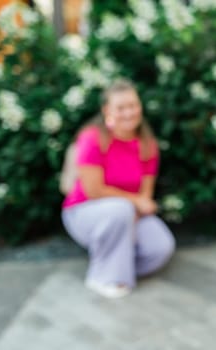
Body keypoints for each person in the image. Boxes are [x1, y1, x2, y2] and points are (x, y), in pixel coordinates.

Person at [61, 79, 175, 298]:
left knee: (161, 246)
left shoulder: (147, 145)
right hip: (83, 212)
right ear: (107, 111)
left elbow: (146, 195)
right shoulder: (92, 138)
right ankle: (103, 277)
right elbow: (93, 191)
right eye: (121, 108)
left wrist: (137, 206)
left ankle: (118, 265)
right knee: (120, 210)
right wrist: (133, 203)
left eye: (133, 105)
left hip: (128, 213)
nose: (129, 113)